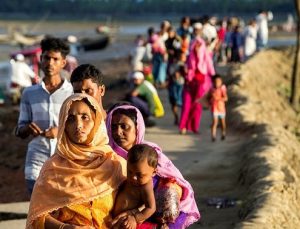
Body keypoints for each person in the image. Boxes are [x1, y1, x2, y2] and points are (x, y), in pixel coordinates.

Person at [26, 94, 127, 229]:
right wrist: (64, 228)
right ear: (63, 125)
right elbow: (37, 217)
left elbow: (136, 202)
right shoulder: (53, 168)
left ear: (96, 121)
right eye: (71, 119)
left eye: (85, 117)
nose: (78, 125)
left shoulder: (116, 164)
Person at [106, 104, 200, 228]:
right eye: (113, 127)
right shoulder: (105, 157)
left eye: (124, 127)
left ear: (137, 128)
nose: (118, 132)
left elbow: (172, 196)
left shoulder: (152, 156)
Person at [15, 37, 73, 196]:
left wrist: (60, 130)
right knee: (36, 199)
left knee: (61, 204)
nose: (50, 63)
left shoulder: (72, 93)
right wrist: (27, 129)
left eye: (55, 59)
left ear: (63, 63)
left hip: (65, 158)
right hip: (36, 157)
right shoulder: (29, 93)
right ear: (41, 59)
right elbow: (19, 130)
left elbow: (81, 128)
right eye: (47, 58)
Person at [111, 144, 158, 228]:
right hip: (115, 217)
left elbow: (151, 208)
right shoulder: (132, 179)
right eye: (129, 171)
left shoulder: (145, 186)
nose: (133, 177)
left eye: (140, 175)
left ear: (154, 172)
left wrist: (134, 218)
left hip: (127, 221)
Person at [179, 37, 215, 135]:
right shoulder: (189, 56)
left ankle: (194, 127)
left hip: (201, 84)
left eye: (199, 45)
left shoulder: (206, 56)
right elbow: (184, 69)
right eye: (196, 44)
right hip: (189, 84)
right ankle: (183, 127)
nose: (197, 47)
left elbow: (211, 69)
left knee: (197, 106)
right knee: (186, 105)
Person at [208, 74, 228, 141]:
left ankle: (223, 133)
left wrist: (218, 98)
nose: (217, 83)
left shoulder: (222, 89)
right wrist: (211, 99)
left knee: (222, 123)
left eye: (219, 81)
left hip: (221, 108)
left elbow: (226, 98)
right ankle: (213, 136)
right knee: (214, 122)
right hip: (214, 108)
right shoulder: (211, 89)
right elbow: (208, 98)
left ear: (221, 82)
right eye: (216, 82)